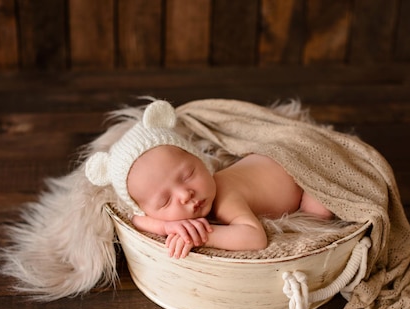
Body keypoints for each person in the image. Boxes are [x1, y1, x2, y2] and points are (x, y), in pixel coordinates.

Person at [85, 100, 333, 259]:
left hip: (299, 168)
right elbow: (136, 218)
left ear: (200, 161)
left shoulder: (225, 197)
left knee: (317, 214)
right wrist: (167, 227)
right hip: (269, 161)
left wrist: (202, 236)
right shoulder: (155, 209)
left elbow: (254, 238)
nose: (185, 194)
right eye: (165, 201)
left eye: (188, 175)